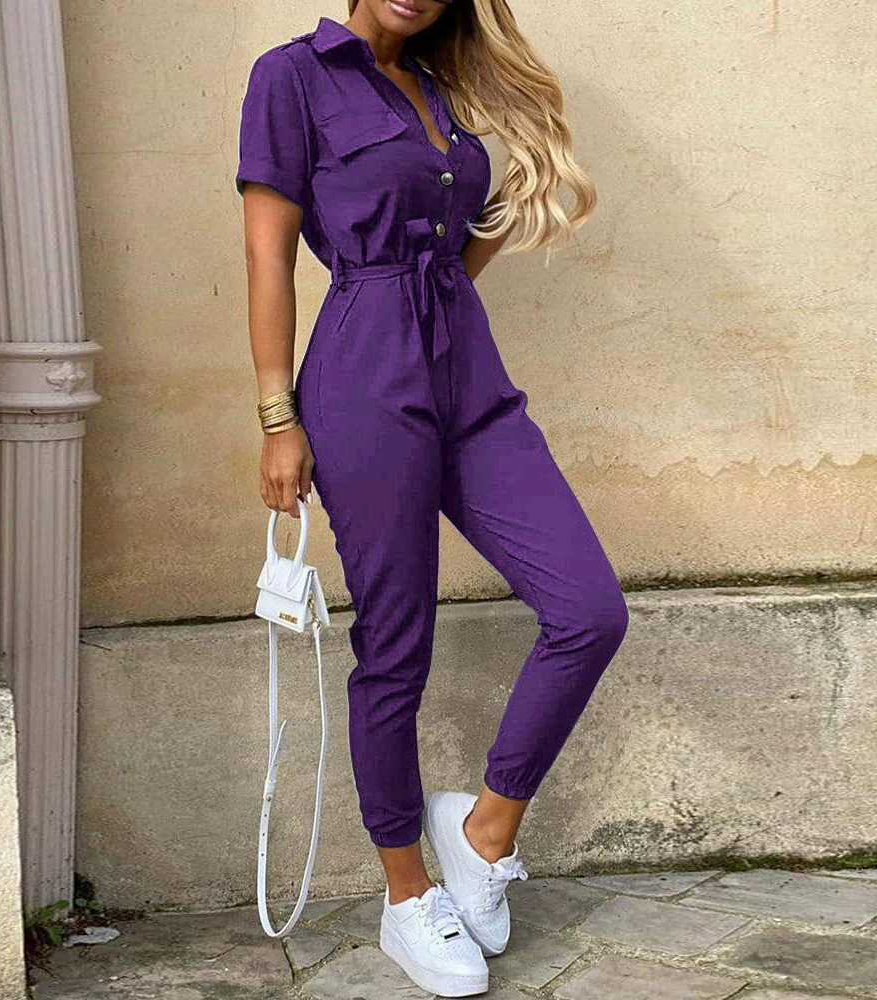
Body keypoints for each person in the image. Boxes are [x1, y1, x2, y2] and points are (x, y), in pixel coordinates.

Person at [236, 1, 629, 995]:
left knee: (589, 611)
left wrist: (451, 264)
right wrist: (278, 417)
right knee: (396, 647)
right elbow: (267, 255)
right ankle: (408, 897)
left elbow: (463, 241)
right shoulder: (292, 77)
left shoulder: (445, 87)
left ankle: (483, 831)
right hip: (363, 379)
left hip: (468, 374)